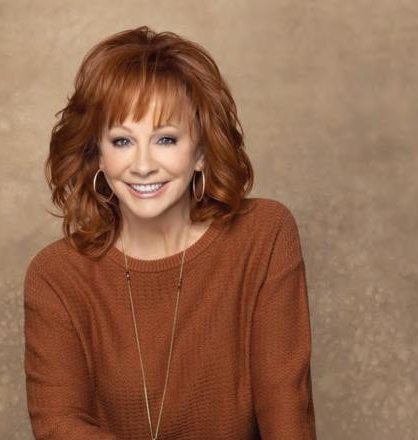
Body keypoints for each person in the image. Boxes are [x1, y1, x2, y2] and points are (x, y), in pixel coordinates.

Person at [23, 25, 316, 440]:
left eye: (165, 138)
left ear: (201, 152)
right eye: (122, 141)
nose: (143, 165)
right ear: (98, 157)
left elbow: (285, 406)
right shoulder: (56, 274)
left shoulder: (263, 235)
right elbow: (58, 424)